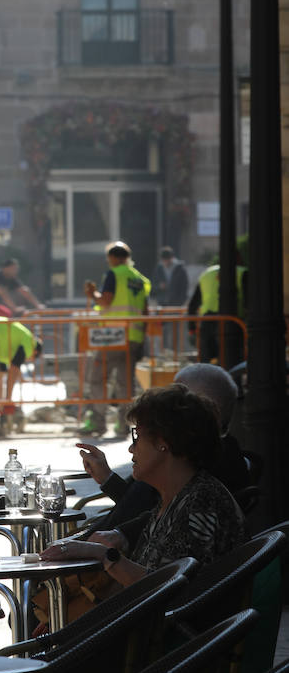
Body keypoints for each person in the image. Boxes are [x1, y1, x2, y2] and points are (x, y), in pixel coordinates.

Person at [43, 385, 246, 587]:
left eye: (137, 437)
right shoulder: (175, 497)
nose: (131, 448)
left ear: (162, 442)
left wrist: (105, 556)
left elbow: (171, 592)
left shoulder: (200, 501)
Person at [75, 362, 250, 531]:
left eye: (176, 398)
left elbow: (157, 521)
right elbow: (143, 507)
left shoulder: (194, 468)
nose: (131, 448)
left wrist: (116, 544)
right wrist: (107, 478)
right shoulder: (185, 458)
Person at [81, 241, 151, 438]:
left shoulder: (115, 273)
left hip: (112, 336)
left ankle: (98, 421)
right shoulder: (140, 279)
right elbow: (145, 311)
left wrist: (92, 294)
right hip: (134, 337)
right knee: (125, 383)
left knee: (96, 378)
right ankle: (124, 424)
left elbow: (106, 300)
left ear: (113, 258)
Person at [188, 260, 248, 363]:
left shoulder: (206, 274)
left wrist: (192, 328)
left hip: (207, 322)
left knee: (206, 362)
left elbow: (193, 304)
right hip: (233, 322)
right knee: (231, 362)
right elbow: (249, 302)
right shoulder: (242, 272)